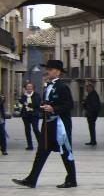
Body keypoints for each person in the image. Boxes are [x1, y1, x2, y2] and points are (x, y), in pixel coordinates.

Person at [13, 59, 77, 189]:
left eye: (50, 69)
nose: (47, 71)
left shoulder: (62, 86)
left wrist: (54, 109)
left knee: (65, 152)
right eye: (47, 69)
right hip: (48, 125)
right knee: (41, 151)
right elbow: (46, 102)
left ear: (57, 71)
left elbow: (69, 104)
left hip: (60, 126)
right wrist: (38, 106)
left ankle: (72, 180)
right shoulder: (48, 85)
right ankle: (31, 179)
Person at [17, 81, 40, 150]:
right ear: (25, 88)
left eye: (30, 87)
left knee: (35, 129)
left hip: (34, 115)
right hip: (26, 115)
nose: (29, 88)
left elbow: (36, 104)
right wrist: (26, 103)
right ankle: (30, 145)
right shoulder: (24, 95)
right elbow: (21, 101)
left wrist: (26, 104)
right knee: (27, 130)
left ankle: (41, 144)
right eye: (28, 87)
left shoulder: (36, 95)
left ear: (33, 88)